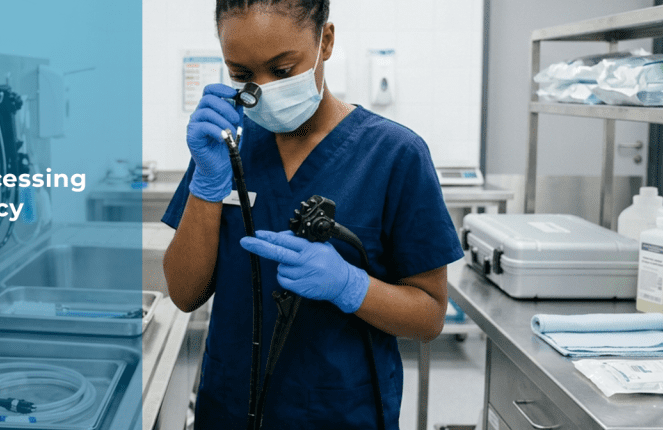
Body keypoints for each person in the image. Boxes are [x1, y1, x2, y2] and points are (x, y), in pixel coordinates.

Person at [160, 0, 464, 428]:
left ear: (326, 41)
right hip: (230, 406)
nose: (263, 88)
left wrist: (350, 286)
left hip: (341, 412)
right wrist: (207, 187)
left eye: (282, 70)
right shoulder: (227, 146)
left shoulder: (395, 155)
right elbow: (184, 293)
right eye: (242, 75)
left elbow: (429, 316)